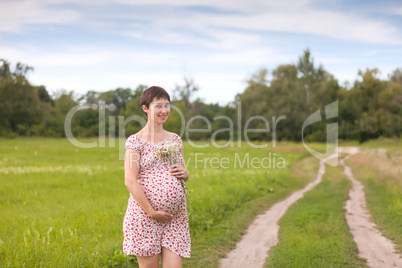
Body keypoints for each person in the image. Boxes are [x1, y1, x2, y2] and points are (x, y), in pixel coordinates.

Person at [123, 86, 191, 268]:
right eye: (158, 106)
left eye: (167, 105)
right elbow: (130, 180)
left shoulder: (175, 139)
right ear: (145, 108)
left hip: (174, 218)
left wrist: (186, 175)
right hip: (145, 217)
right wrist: (151, 212)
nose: (164, 110)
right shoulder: (135, 141)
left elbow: (181, 172)